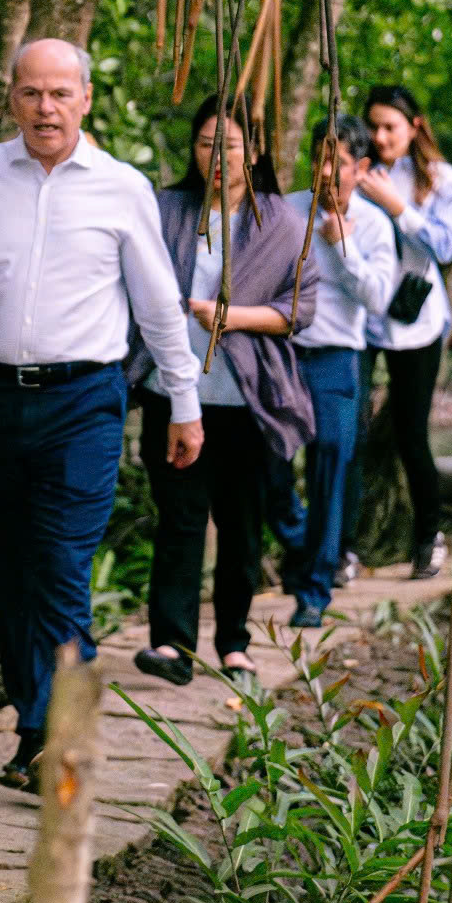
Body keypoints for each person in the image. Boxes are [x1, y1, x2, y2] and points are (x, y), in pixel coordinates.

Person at [0, 39, 204, 791]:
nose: (46, 108)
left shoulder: (120, 186)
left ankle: (62, 738)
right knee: (10, 565)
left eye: (61, 94)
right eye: (32, 93)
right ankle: (32, 722)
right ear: (11, 97)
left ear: (86, 99)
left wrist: (184, 402)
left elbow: (160, 304)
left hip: (85, 401)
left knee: (64, 567)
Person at [131, 97, 316, 687]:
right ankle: (172, 644)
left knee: (240, 524)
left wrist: (233, 317)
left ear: (254, 151)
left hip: (247, 399)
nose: (217, 155)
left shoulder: (281, 221)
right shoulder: (168, 210)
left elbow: (300, 309)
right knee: (180, 518)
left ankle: (235, 643)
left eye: (230, 145)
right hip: (172, 389)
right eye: (207, 143)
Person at [277, 116, 400, 628]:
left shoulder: (373, 225)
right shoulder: (286, 211)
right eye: (319, 159)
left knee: (331, 462)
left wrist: (341, 245)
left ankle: (315, 588)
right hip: (282, 354)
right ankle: (300, 538)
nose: (326, 172)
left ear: (361, 168)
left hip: (336, 359)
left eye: (340, 163)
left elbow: (378, 298)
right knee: (268, 462)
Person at [339, 86, 452, 581]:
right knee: (351, 433)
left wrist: (398, 207)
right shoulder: (354, 167)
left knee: (413, 434)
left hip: (418, 319)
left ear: (414, 127)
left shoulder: (438, 177)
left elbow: (446, 247)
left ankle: (428, 537)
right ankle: (343, 547)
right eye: (374, 125)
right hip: (360, 316)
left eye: (391, 126)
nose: (380, 136)